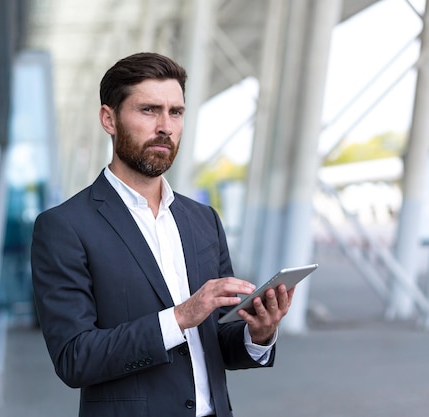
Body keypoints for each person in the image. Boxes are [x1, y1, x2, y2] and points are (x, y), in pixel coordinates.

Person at [31, 52, 295, 417]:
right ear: (109, 119)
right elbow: (75, 358)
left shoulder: (203, 220)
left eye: (176, 112)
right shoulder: (64, 227)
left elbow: (217, 343)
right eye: (149, 110)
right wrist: (181, 316)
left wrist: (259, 332)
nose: (166, 126)